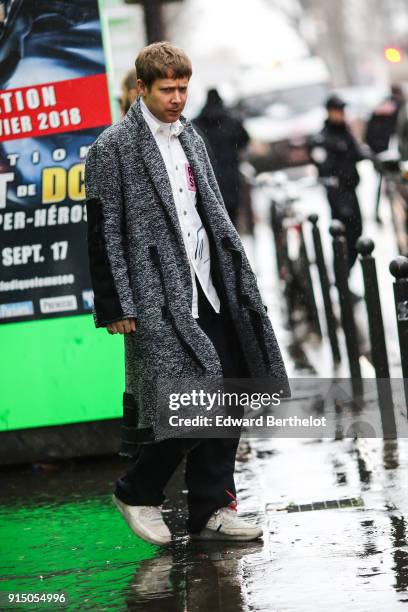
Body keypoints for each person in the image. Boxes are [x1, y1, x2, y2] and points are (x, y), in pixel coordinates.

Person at [85, 42, 288, 545]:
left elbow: (209, 211)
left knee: (232, 392)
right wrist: (115, 303)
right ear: (141, 89)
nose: (176, 99)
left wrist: (235, 275)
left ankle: (212, 508)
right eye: (166, 90)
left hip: (211, 284)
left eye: (182, 89)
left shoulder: (191, 137)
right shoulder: (112, 148)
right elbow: (102, 229)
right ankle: (137, 490)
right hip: (156, 295)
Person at [308, 94, 364, 271]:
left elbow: (356, 153)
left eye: (342, 110)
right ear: (330, 112)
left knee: (356, 232)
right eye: (338, 110)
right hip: (337, 191)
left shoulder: (344, 132)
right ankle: (342, 277)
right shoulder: (323, 137)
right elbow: (321, 162)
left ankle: (344, 276)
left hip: (350, 189)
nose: (341, 114)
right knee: (343, 235)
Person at [194, 88, 250, 228]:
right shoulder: (232, 123)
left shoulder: (197, 125)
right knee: (232, 223)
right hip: (231, 182)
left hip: (210, 183)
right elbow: (244, 141)